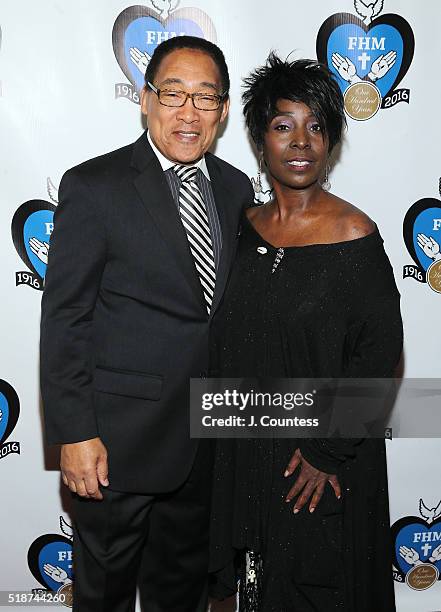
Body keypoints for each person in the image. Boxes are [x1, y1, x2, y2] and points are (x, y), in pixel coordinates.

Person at [40, 35, 253, 612]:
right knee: (104, 598)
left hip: (204, 446)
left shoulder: (236, 190)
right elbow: (65, 318)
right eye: (174, 94)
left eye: (205, 97)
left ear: (224, 109)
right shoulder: (93, 187)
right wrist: (74, 433)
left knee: (179, 598)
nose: (189, 112)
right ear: (145, 99)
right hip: (115, 450)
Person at [209, 54, 403, 611]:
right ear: (259, 138)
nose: (301, 142)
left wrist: (326, 451)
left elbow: (381, 356)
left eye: (316, 126)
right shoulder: (241, 230)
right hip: (245, 455)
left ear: (332, 140)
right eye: (283, 125)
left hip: (318, 466)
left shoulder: (355, 234)